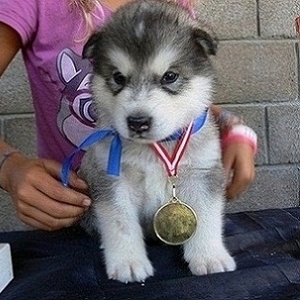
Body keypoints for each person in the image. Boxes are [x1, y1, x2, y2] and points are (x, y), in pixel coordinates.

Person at [0, 0, 257, 231]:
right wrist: (9, 167)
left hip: (163, 218)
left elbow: (178, 98)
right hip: (70, 215)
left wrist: (229, 125)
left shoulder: (172, 6)